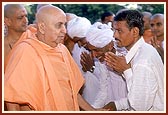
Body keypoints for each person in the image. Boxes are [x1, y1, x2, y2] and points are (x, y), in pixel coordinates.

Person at [4, 5, 105, 111]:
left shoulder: (62, 50)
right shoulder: (24, 51)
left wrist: (92, 110)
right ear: (42, 28)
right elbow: (12, 99)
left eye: (64, 25)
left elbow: (72, 91)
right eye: (59, 25)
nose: (64, 31)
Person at [104, 9, 164, 111]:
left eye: (119, 31)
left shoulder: (143, 60)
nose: (114, 35)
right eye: (114, 30)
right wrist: (117, 105)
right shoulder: (141, 51)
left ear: (135, 32)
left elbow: (140, 106)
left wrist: (126, 70)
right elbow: (142, 93)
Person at [81, 23, 127, 108]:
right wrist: (93, 109)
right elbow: (103, 90)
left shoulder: (126, 58)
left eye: (96, 50)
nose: (94, 55)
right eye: (91, 51)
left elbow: (136, 95)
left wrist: (117, 106)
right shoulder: (103, 62)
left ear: (110, 46)